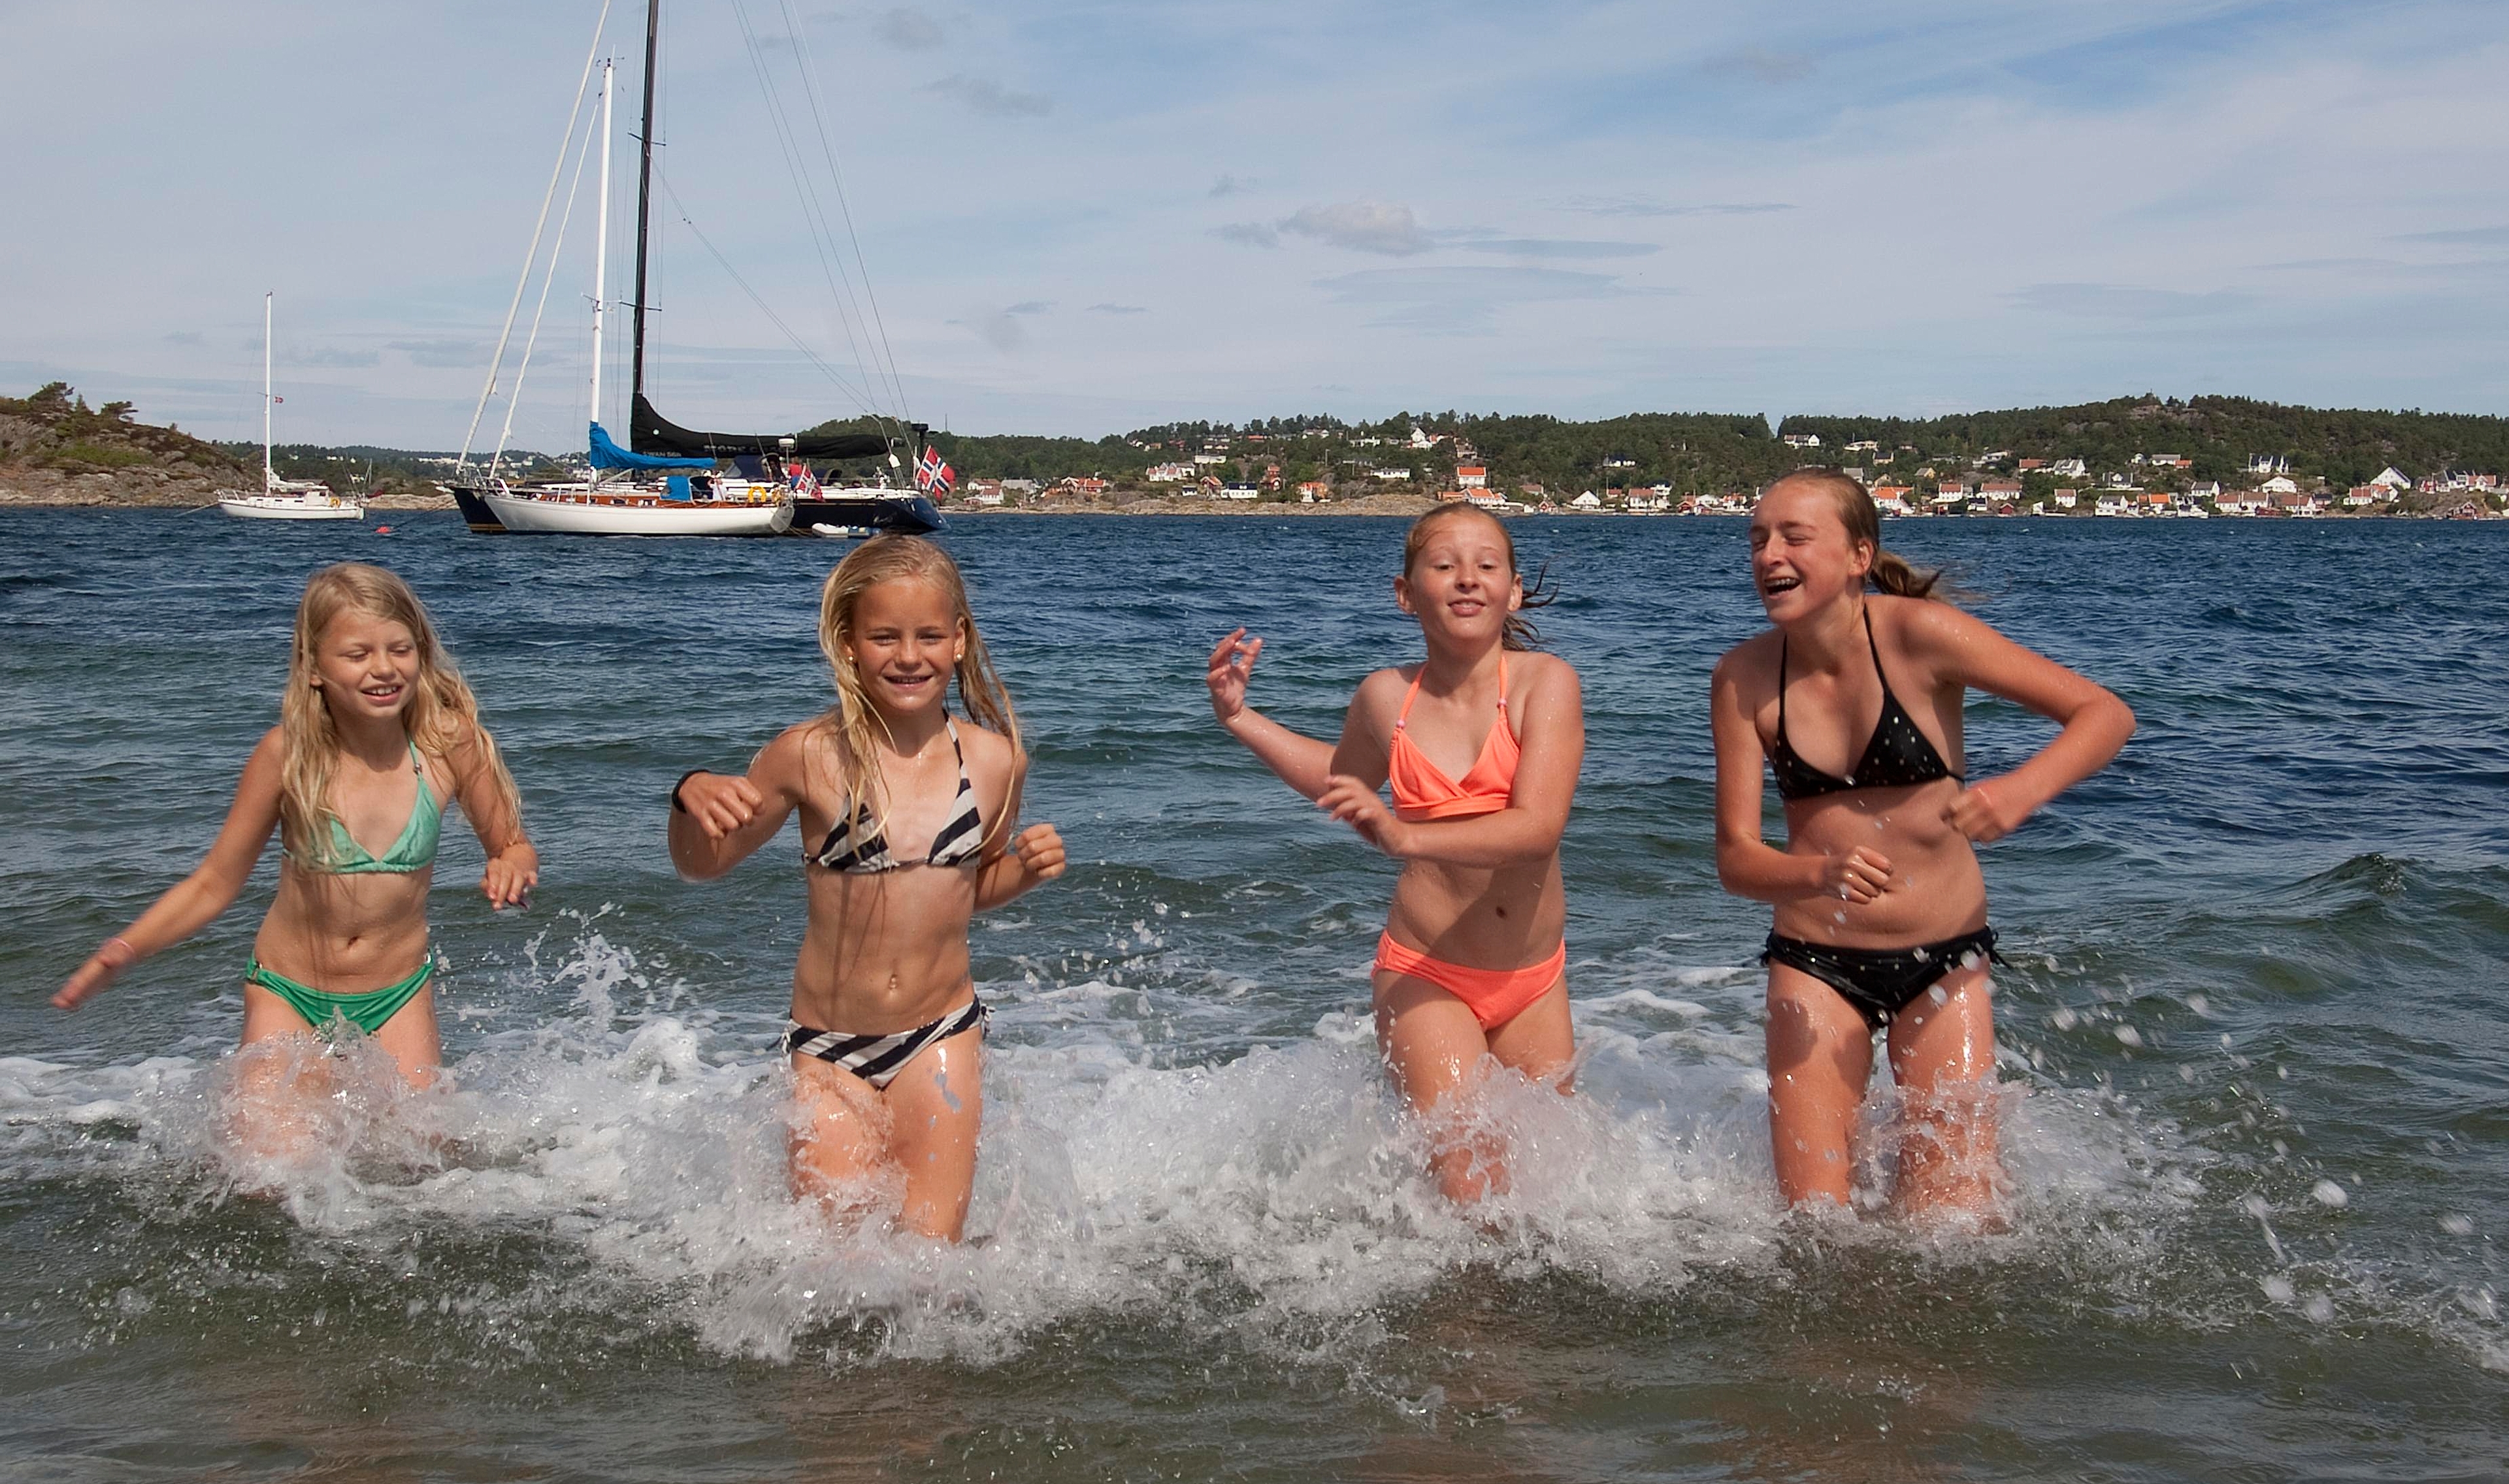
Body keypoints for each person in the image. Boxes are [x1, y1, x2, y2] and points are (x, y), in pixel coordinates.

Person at [1710, 470, 2135, 1218]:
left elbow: (2102, 713)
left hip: (1943, 962)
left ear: (1857, 555)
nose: (1768, 554)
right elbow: (1737, 860)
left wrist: (2020, 790)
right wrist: (1820, 870)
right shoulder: (1743, 677)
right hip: (1813, 965)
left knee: (1953, 1230)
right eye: (1757, 540)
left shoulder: (1919, 635)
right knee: (1814, 1229)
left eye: (1794, 537)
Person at [667, 536, 1064, 1242]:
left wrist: (1022, 873)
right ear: (849, 643)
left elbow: (968, 891)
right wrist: (688, 797)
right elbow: (703, 865)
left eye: (929, 636)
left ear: (959, 639)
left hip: (941, 1035)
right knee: (830, 1265)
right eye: (884, 636)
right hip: (829, 1049)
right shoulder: (808, 755)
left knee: (927, 1259)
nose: (908, 655)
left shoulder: (996, 760)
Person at [1207, 504, 1585, 1204]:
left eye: (1487, 566)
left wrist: (1410, 835)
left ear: (1515, 589)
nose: (1467, 580)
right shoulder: (1386, 697)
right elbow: (1343, 784)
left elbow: (1538, 825)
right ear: (1405, 593)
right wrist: (1241, 718)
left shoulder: (1545, 683)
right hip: (1426, 972)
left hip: (1534, 978)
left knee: (1546, 1192)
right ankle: (1456, 1315)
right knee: (1469, 1184)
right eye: (1444, 566)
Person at [52, 563, 536, 1094]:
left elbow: (511, 844)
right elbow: (214, 883)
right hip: (289, 992)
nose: (384, 669)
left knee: (422, 1159)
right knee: (272, 1170)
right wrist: (125, 949)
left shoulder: (448, 745)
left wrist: (511, 865)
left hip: (398, 993)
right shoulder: (288, 757)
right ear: (313, 667)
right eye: (357, 655)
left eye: (400, 649)